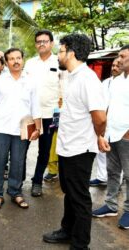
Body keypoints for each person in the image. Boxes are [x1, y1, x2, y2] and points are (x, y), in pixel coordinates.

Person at [43, 34, 107, 250]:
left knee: (79, 198)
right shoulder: (71, 76)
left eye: (60, 51)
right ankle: (67, 230)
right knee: (69, 193)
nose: (58, 55)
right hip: (67, 145)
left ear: (71, 53)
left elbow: (100, 117)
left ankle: (80, 244)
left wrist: (99, 136)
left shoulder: (88, 79)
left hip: (80, 148)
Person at [0, 48, 41, 210]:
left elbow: (36, 106)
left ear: (22, 60)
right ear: (7, 62)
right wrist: (2, 111)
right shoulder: (0, 80)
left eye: (18, 58)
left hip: (22, 130)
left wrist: (37, 128)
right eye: (12, 59)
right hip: (2, 128)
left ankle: (15, 192)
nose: (16, 61)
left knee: (18, 162)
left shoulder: (31, 81)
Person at [23, 30, 65, 196]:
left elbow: (64, 90)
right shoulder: (30, 63)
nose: (41, 44)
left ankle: (37, 181)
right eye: (38, 41)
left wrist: (58, 117)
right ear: (35, 44)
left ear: (52, 43)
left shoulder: (59, 62)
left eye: (45, 41)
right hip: (29, 114)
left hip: (51, 114)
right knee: (22, 148)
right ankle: (18, 180)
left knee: (45, 150)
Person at [92, 45, 129, 230]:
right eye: (119, 56)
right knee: (113, 172)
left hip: (127, 136)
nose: (119, 59)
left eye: (123, 56)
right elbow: (108, 107)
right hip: (112, 133)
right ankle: (111, 205)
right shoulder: (116, 81)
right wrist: (103, 132)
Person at [90, 57, 122, 186]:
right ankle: (102, 177)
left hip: (118, 124)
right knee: (101, 151)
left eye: (117, 66)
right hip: (103, 122)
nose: (114, 68)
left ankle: (117, 182)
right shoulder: (105, 83)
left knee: (116, 155)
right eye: (113, 65)